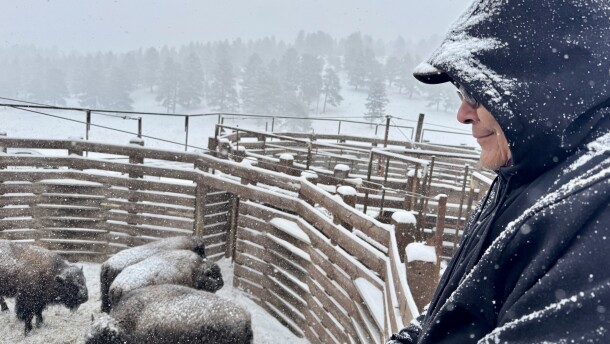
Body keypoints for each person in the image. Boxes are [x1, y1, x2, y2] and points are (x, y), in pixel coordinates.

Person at [388, 0, 610, 343]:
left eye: (476, 92)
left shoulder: (594, 207)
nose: (462, 113)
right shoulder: (526, 173)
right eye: (461, 92)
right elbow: (453, 315)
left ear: (540, 88)